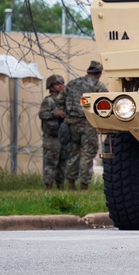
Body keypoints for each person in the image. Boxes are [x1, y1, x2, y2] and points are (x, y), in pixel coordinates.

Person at [60, 60, 108, 190]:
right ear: (99, 73)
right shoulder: (98, 86)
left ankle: (70, 184)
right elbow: (106, 103)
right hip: (88, 123)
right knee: (87, 155)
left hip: (71, 123)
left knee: (73, 154)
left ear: (88, 71)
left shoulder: (72, 83)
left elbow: (60, 100)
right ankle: (83, 185)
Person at [38, 74, 66, 189]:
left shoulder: (64, 100)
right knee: (51, 163)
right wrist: (55, 114)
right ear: (51, 86)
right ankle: (48, 186)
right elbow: (42, 114)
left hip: (62, 136)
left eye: (62, 83)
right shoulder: (49, 101)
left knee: (62, 164)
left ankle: (60, 186)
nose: (61, 86)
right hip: (51, 137)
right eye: (57, 84)